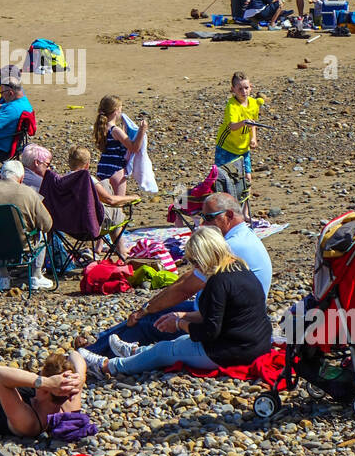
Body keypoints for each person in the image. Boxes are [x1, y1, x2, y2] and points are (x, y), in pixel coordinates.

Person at [76, 191, 272, 370]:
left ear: (229, 215)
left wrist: (176, 321)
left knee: (150, 326)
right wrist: (177, 316)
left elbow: (188, 292)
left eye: (208, 218)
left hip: (232, 340)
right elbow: (204, 304)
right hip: (241, 325)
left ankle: (101, 359)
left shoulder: (225, 262)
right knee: (162, 326)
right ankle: (109, 345)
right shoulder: (238, 252)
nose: (203, 223)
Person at [92, 227, 272, 381]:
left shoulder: (218, 282)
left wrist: (180, 324)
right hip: (256, 342)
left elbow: (209, 331)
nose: (194, 267)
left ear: (205, 256)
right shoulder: (240, 267)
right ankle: (135, 352)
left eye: (194, 261)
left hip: (234, 351)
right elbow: (219, 314)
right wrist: (181, 316)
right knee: (178, 342)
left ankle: (108, 366)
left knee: (164, 351)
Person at [0, 159, 54, 290]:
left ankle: (3, 278)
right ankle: (36, 276)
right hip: (23, 245)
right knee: (42, 232)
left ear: (0, 175)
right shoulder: (29, 192)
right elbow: (47, 224)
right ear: (21, 178)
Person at [66, 145, 139, 260]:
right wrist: (131, 198)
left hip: (70, 227)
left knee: (104, 183)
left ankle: (118, 250)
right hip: (91, 228)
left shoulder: (62, 180)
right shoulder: (87, 179)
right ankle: (121, 251)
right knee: (115, 212)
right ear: (87, 164)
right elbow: (110, 200)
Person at [93, 95, 147, 198]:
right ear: (116, 111)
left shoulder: (102, 128)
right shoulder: (115, 130)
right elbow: (134, 148)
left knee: (105, 202)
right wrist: (142, 131)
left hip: (102, 167)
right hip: (116, 169)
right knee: (118, 203)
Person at [214, 71, 265, 178]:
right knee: (223, 176)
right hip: (227, 146)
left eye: (246, 88)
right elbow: (232, 126)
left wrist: (253, 138)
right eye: (240, 89)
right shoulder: (232, 106)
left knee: (247, 176)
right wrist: (243, 122)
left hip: (243, 147)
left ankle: (247, 195)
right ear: (233, 89)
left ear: (251, 87)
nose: (244, 91)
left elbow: (253, 124)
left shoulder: (254, 104)